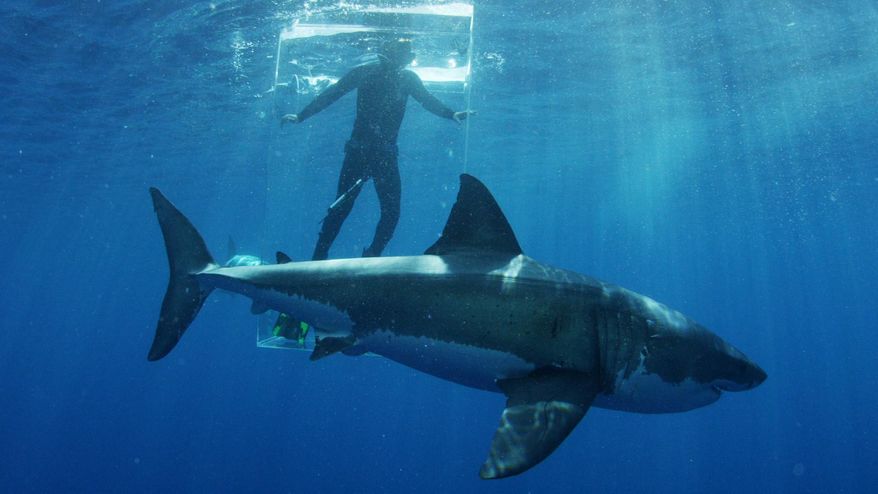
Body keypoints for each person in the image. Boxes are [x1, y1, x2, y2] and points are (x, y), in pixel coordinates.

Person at [281, 38, 474, 260]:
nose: (407, 57)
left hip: (371, 153)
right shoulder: (375, 73)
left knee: (372, 210)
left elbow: (426, 100)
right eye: (405, 53)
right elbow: (332, 94)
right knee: (354, 208)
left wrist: (450, 114)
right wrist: (301, 115)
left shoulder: (398, 77)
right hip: (372, 154)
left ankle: (359, 255)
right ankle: (330, 255)